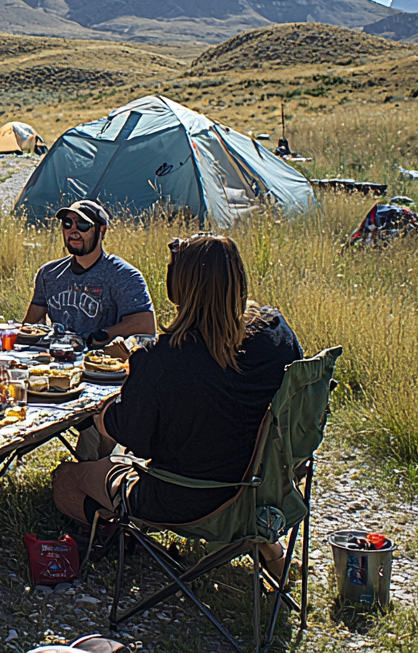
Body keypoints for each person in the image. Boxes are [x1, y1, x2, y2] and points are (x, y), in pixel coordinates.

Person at [51, 234, 304, 569]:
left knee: (66, 480)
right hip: (264, 489)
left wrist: (104, 413)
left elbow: (132, 437)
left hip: (183, 501)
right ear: (238, 279)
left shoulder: (164, 358)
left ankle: (123, 535)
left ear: (179, 289)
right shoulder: (276, 335)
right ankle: (269, 548)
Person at [23, 199, 155, 344]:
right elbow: (30, 325)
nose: (73, 230)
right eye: (67, 224)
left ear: (102, 230)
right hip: (56, 358)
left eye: (83, 224)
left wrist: (101, 336)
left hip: (99, 361)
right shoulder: (49, 273)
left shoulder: (124, 276)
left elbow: (145, 324)